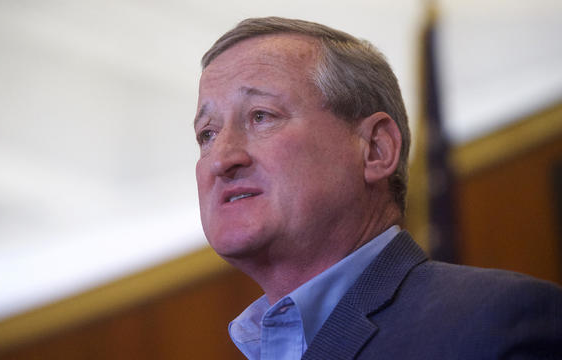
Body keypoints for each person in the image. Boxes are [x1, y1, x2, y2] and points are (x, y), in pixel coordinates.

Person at [193, 17, 562, 359]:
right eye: (207, 134)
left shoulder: (496, 324)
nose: (222, 158)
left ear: (375, 149)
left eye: (261, 116)